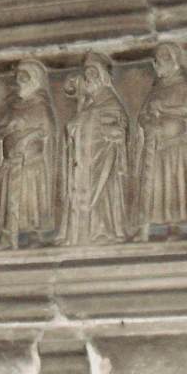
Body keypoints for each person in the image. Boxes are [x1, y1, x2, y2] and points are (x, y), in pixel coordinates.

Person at [62, 52, 131, 245]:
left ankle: (101, 232)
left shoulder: (109, 100)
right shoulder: (89, 103)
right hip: (83, 160)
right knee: (80, 192)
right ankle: (79, 234)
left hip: (101, 159)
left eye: (93, 74)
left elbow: (120, 125)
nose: (88, 78)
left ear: (102, 76)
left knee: (101, 193)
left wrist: (84, 123)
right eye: (86, 75)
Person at [136, 43, 187, 238]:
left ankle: (174, 225)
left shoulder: (183, 84)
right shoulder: (157, 88)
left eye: (162, 60)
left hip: (175, 146)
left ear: (173, 61)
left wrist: (164, 109)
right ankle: (149, 226)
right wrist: (147, 120)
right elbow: (142, 114)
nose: (158, 65)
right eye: (157, 61)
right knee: (154, 185)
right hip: (154, 145)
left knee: (173, 183)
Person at [0, 59, 58, 247]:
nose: (19, 82)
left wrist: (26, 137)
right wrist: (8, 128)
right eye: (17, 77)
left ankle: (32, 235)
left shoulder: (41, 105)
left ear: (35, 80)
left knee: (29, 200)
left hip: (30, 162)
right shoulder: (12, 107)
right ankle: (7, 236)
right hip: (11, 161)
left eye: (24, 77)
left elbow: (46, 131)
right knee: (11, 200)